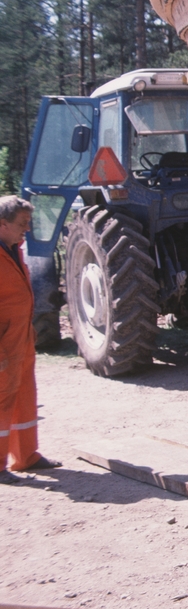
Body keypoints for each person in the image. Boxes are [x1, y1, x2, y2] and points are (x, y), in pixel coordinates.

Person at [0, 196, 60, 484]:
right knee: (1, 399)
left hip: (20, 337)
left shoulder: (12, 250)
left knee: (24, 394)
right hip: (3, 342)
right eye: (22, 224)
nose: (27, 229)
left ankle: (26, 457)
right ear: (3, 224)